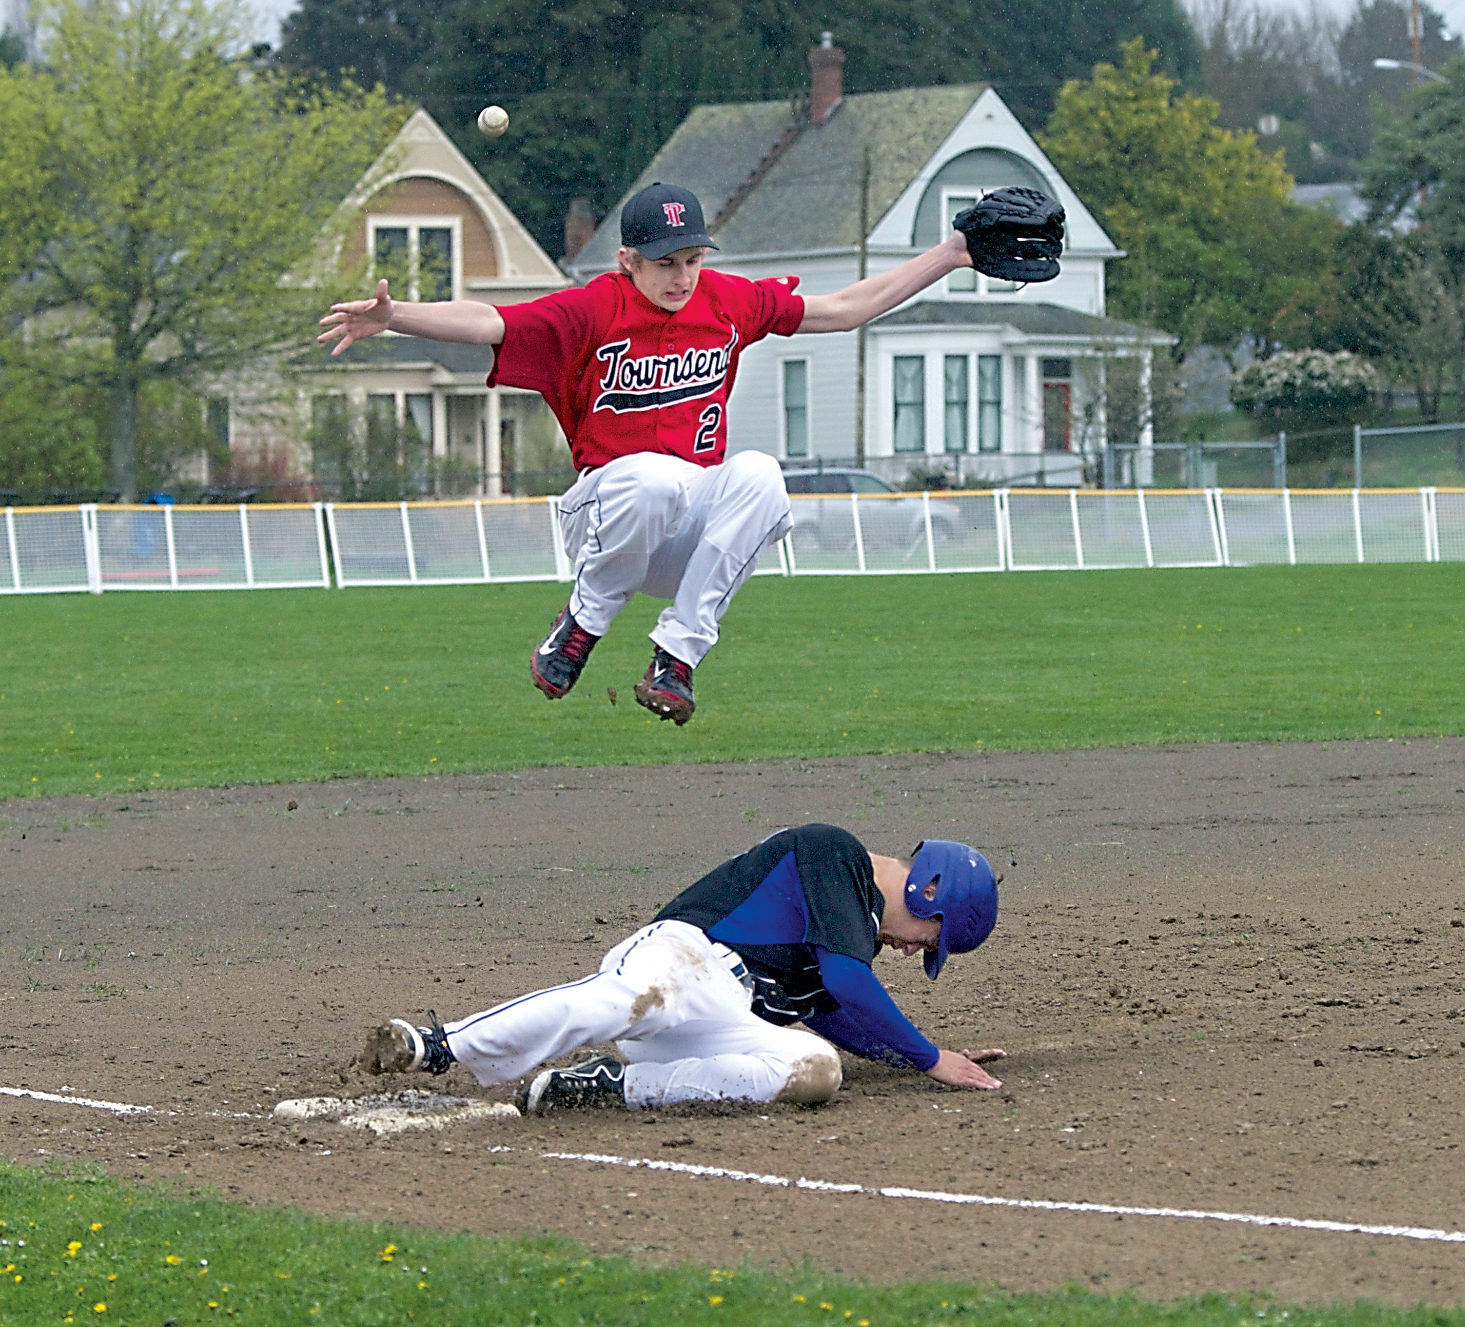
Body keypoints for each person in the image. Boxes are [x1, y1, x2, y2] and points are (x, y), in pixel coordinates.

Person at [319, 184, 981, 725]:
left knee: (759, 476)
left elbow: (841, 308)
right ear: (627, 260)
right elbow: (491, 322)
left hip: (679, 529)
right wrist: (396, 315)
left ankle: (676, 658)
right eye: (665, 261)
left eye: (691, 258)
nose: (682, 275)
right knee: (659, 479)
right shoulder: (592, 310)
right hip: (601, 517)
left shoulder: (726, 301)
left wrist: (949, 254)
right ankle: (580, 624)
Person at [362, 824, 1004, 1113]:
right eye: (932, 939)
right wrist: (929, 1058)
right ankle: (440, 1045)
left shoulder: (852, 929)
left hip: (724, 1020)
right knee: (620, 1003)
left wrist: (916, 1053)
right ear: (928, 893)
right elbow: (846, 983)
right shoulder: (838, 856)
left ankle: (610, 1087)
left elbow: (836, 1016)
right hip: (686, 959)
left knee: (815, 1069)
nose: (916, 951)